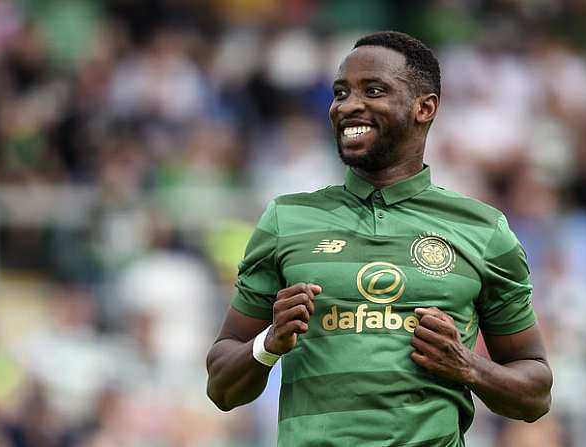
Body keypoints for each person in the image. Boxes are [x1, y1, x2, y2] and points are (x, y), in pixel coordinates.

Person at [206, 31, 552, 446]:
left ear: (425, 108)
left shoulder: (481, 228)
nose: (348, 105)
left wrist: (468, 367)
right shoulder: (287, 218)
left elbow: (535, 392)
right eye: (340, 92)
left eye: (373, 91)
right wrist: (269, 342)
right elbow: (221, 387)